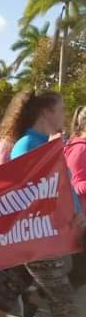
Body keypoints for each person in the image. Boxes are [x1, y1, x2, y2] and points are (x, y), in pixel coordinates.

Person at [0, 91, 86, 317]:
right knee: (61, 295)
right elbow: (28, 195)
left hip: (44, 231)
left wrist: (76, 211)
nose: (65, 115)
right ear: (46, 112)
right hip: (37, 234)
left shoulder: (44, 144)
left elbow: (61, 185)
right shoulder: (27, 145)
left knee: (16, 281)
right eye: (61, 109)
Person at [65, 105, 86, 289]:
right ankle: (36, 297)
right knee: (79, 276)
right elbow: (73, 186)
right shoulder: (79, 149)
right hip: (80, 220)